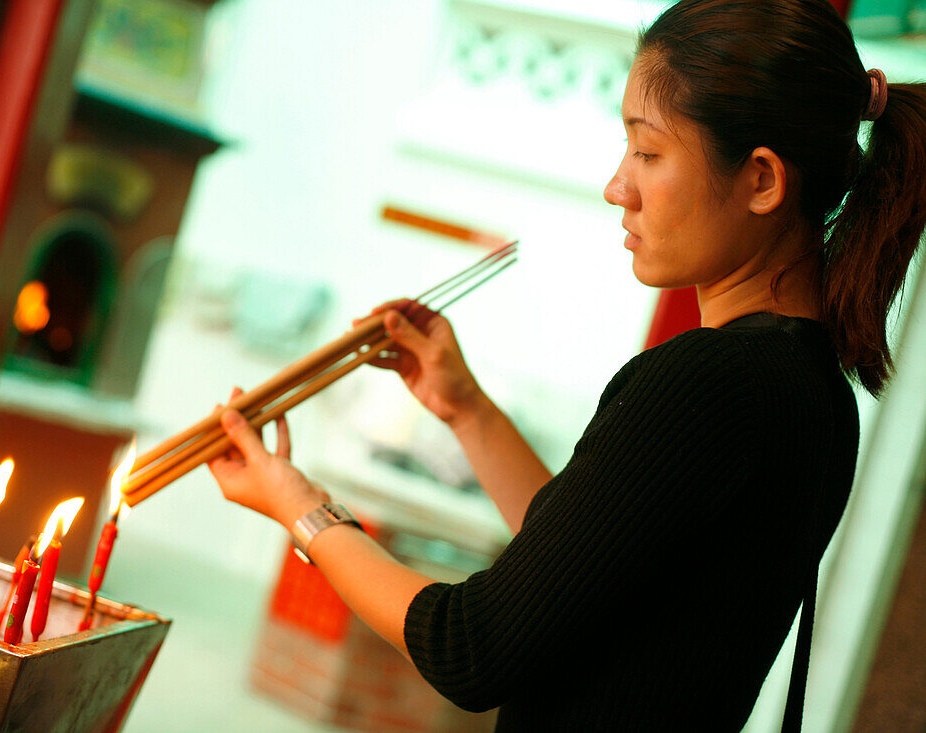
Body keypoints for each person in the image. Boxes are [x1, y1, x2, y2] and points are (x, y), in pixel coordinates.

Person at [207, 0, 926, 729]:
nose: (618, 186)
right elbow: (587, 561)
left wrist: (297, 504)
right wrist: (466, 409)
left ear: (763, 180)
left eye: (647, 152)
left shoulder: (707, 381)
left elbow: (472, 646)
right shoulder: (815, 391)